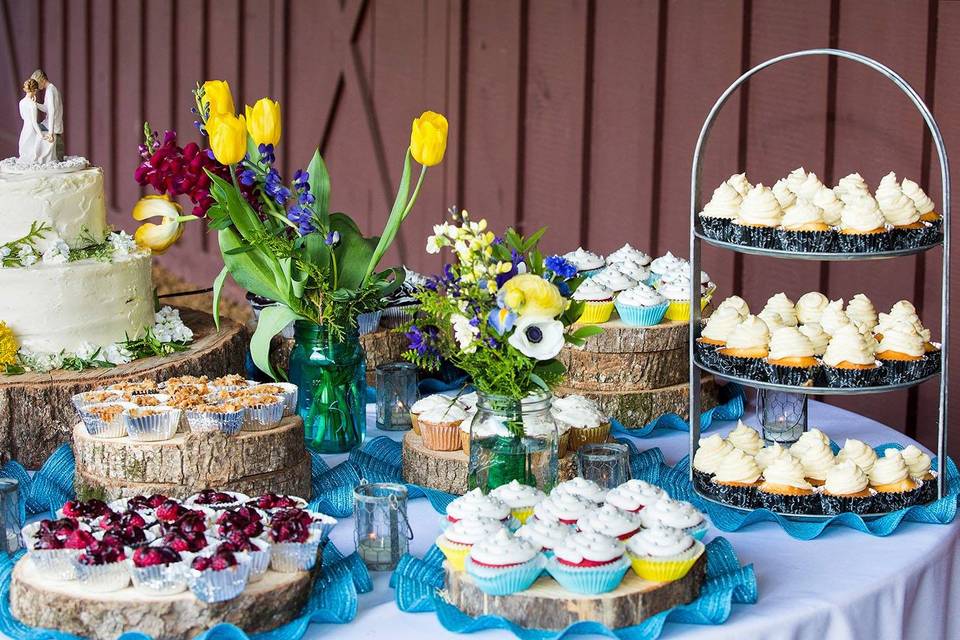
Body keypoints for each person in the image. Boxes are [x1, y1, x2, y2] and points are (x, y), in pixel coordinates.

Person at [18, 79, 56, 164]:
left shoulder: (21, 102)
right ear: (35, 90)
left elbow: (23, 116)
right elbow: (34, 123)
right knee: (33, 146)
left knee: (25, 146)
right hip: (32, 129)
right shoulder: (32, 105)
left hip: (25, 127)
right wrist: (41, 135)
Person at [30, 69, 63, 161]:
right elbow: (46, 108)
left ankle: (37, 156)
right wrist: (35, 104)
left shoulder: (51, 91)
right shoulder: (50, 89)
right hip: (49, 124)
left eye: (37, 83)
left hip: (51, 125)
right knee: (33, 128)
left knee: (32, 129)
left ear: (42, 80)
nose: (36, 87)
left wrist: (50, 132)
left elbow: (51, 112)